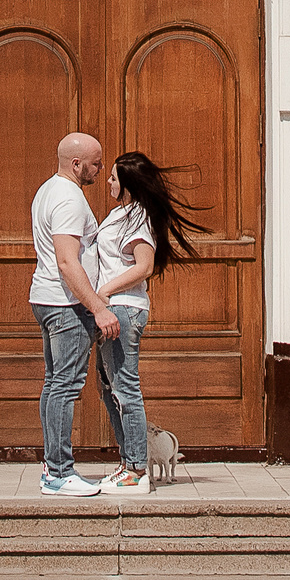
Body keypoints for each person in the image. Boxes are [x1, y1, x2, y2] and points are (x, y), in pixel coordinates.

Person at [86, 150, 210, 494]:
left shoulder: (138, 218)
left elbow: (144, 266)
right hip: (115, 308)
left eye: (113, 177)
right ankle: (128, 462)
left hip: (123, 309)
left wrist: (104, 292)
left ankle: (137, 470)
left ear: (128, 184)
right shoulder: (121, 214)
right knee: (109, 388)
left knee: (125, 388)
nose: (108, 181)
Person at [29, 131, 117, 496]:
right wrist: (98, 307)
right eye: (96, 163)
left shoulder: (48, 190)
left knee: (55, 384)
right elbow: (67, 261)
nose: (100, 169)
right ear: (76, 164)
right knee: (64, 386)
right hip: (66, 305)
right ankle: (59, 472)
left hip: (48, 298)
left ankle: (52, 467)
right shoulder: (68, 198)